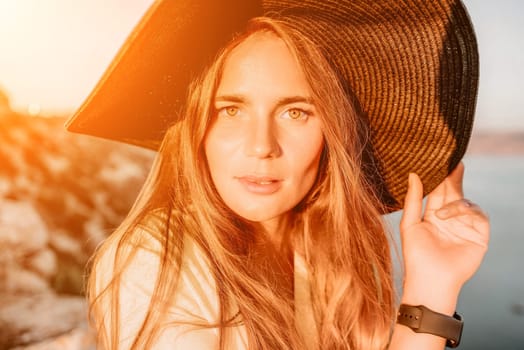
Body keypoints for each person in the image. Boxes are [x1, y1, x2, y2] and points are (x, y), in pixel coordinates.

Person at [66, 1, 490, 349]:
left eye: (295, 112)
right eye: (230, 110)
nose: (261, 145)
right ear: (198, 128)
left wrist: (432, 287)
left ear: (332, 131)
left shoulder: (329, 256)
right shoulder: (160, 262)